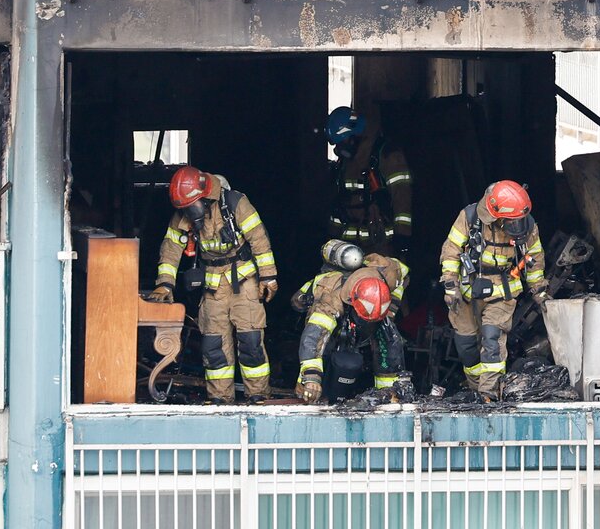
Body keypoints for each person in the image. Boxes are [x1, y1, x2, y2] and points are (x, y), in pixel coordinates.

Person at [152, 166, 278, 404]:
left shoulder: (236, 203)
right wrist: (165, 285)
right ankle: (220, 399)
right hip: (213, 288)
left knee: (251, 342)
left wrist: (268, 277)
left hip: (245, 283)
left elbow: (259, 239)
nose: (187, 213)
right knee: (213, 347)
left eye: (190, 207)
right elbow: (170, 249)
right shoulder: (184, 213)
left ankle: (259, 397)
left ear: (205, 198)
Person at [439, 180, 547, 400]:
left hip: (502, 292)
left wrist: (539, 291)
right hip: (467, 292)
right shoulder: (470, 218)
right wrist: (451, 286)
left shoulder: (527, 227)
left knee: (492, 341)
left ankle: (489, 395)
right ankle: (475, 390)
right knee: (467, 346)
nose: (516, 225)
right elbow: (451, 251)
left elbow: (534, 259)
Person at [292, 243, 411, 403]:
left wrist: (391, 309)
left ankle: (388, 394)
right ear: (352, 300)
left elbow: (404, 273)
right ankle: (304, 388)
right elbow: (313, 338)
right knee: (323, 346)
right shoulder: (330, 298)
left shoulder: (388, 272)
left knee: (389, 338)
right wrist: (312, 377)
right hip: (311, 298)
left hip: (373, 306)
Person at [326, 106, 413, 252]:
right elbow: (341, 203)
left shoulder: (386, 156)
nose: (339, 149)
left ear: (354, 135)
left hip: (381, 246)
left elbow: (402, 196)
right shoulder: (345, 163)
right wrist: (330, 239)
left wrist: (402, 235)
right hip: (349, 250)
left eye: (341, 142)